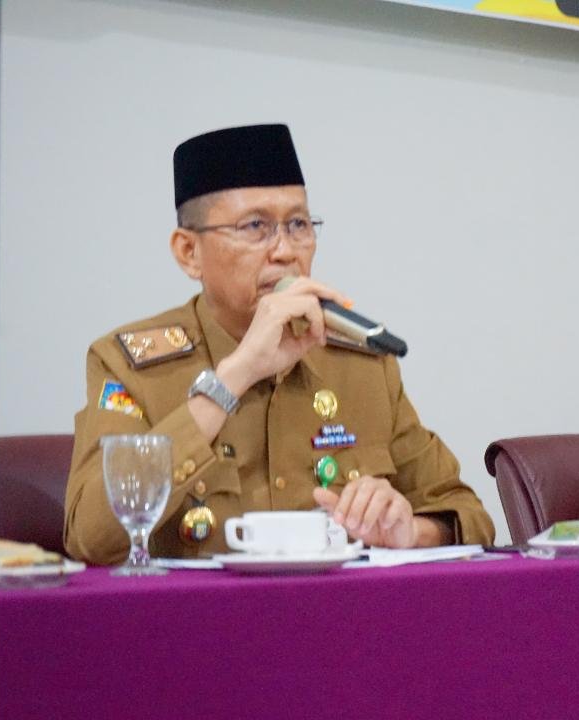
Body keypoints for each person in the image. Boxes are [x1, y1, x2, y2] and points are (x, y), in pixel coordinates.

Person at [64, 124, 495, 564]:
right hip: (198, 625)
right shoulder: (129, 365)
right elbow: (92, 538)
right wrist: (236, 374)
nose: (286, 251)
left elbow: (470, 517)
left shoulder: (361, 366)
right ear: (188, 252)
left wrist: (411, 531)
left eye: (298, 225)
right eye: (255, 227)